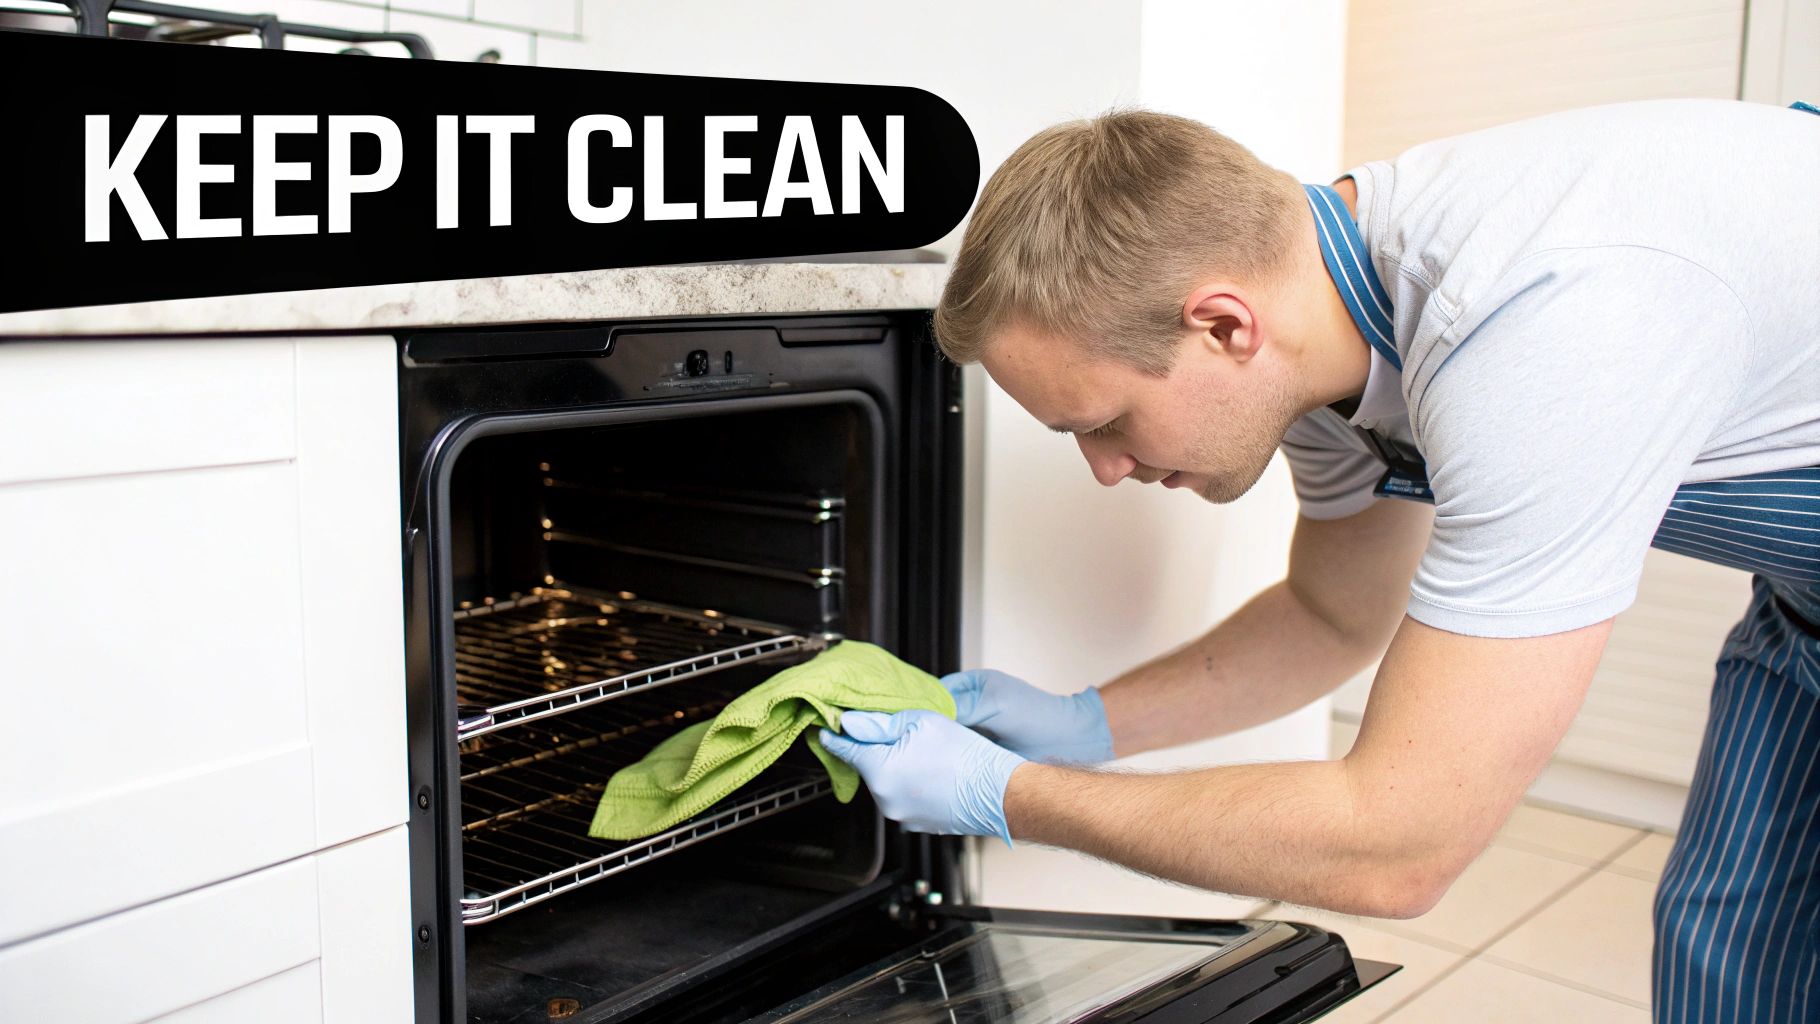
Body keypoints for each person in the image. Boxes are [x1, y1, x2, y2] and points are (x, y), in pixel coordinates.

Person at [816, 99, 1820, 1022]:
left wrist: (1006, 794)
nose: (1106, 469)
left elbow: (1399, 844)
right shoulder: (1319, 328)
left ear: (1220, 325)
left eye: (1108, 421)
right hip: (1801, 608)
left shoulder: (1541, 328)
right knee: (1729, 945)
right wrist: (1082, 724)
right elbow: (1332, 615)